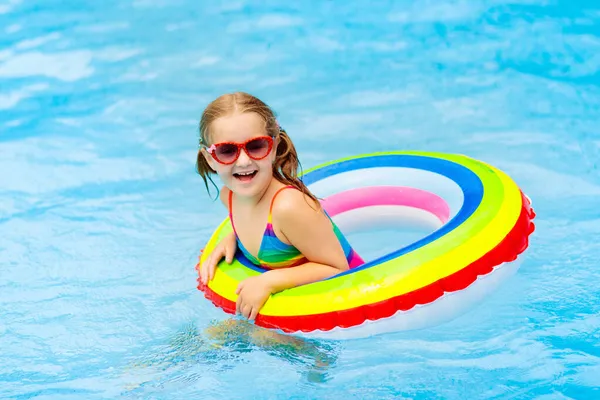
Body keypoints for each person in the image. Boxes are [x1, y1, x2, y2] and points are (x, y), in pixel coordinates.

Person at [196, 92, 364, 321]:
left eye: (256, 146)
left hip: (347, 311)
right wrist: (232, 239)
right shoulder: (230, 197)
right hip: (294, 314)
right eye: (227, 151)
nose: (243, 161)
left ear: (274, 147)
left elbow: (338, 269)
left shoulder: (288, 207)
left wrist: (269, 281)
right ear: (210, 159)